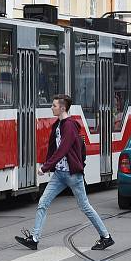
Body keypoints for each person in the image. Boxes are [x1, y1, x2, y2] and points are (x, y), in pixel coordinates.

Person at [15, 94, 114, 251]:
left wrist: (45, 167)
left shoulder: (69, 125)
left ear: (62, 108)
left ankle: (106, 237)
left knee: (85, 207)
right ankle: (34, 239)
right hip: (60, 175)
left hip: (72, 175)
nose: (51, 108)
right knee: (43, 203)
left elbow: (63, 149)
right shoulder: (59, 124)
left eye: (54, 105)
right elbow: (59, 148)